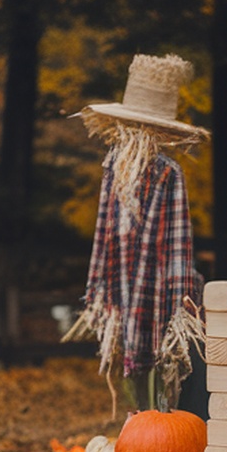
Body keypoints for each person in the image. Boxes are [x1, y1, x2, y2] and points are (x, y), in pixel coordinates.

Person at [66, 53, 207, 410]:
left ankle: (158, 435)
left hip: (155, 296)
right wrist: (101, 289)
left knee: (162, 382)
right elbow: (104, 235)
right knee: (138, 387)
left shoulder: (167, 173)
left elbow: (177, 248)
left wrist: (180, 308)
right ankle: (143, 434)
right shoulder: (114, 167)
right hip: (125, 291)